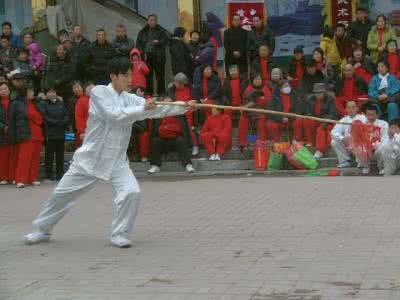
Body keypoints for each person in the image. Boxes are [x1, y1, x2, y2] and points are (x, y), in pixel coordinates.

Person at [23, 57, 196, 248]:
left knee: (131, 192)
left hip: (117, 161)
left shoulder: (131, 98)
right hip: (89, 159)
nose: (130, 80)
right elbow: (114, 115)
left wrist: (184, 106)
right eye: (125, 76)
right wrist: (143, 107)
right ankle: (41, 229)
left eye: (131, 75)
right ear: (113, 76)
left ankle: (119, 233)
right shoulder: (99, 93)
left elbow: (157, 110)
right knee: (61, 195)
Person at [8, 81, 44, 188]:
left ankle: (32, 178)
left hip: (37, 134)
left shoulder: (36, 103)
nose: (33, 93)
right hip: (25, 133)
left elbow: (42, 118)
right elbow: (12, 121)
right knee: (24, 158)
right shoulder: (16, 103)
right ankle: (20, 179)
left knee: (35, 158)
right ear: (25, 92)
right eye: (30, 91)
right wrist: (12, 136)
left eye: (32, 91)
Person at [166, 72, 199, 156]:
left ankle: (195, 146)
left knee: (189, 127)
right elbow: (169, 99)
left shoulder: (190, 89)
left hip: (188, 112)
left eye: (178, 82)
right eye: (175, 81)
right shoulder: (171, 89)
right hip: (176, 112)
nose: (175, 83)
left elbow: (195, 101)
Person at [303, 83, 338, 159]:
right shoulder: (310, 99)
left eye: (320, 92)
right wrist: (309, 116)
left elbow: (333, 114)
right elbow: (307, 112)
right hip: (315, 119)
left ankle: (320, 150)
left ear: (324, 92)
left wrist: (325, 120)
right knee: (307, 121)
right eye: (316, 93)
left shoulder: (330, 99)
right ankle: (310, 142)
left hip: (326, 121)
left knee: (321, 129)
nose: (318, 94)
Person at [136, 14, 169, 95]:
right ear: (148, 21)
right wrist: (141, 55)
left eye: (154, 20)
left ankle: (161, 93)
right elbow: (138, 44)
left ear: (156, 21)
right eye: (151, 20)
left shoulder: (161, 30)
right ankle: (149, 93)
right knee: (148, 77)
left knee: (160, 76)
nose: (152, 22)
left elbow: (166, 40)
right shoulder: (143, 31)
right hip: (147, 57)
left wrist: (159, 42)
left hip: (159, 57)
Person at [41, 87, 69, 180]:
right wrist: (57, 122)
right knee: (49, 155)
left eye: (53, 92)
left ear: (56, 93)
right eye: (49, 92)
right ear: (46, 94)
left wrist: (63, 122)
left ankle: (60, 173)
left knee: (60, 155)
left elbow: (66, 115)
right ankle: (49, 174)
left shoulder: (61, 104)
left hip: (60, 132)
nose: (51, 94)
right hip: (50, 133)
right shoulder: (44, 104)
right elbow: (45, 117)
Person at [238, 74, 272, 148]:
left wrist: (256, 102)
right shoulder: (248, 88)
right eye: (255, 79)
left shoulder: (265, 88)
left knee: (261, 120)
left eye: (259, 79)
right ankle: (243, 142)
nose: (257, 81)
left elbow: (267, 101)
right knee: (243, 120)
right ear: (252, 80)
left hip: (262, 111)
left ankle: (261, 143)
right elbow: (245, 101)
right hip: (249, 112)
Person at [331, 100, 367, 168]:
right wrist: (342, 138)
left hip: (359, 144)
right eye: (349, 107)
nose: (351, 109)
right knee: (334, 142)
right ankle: (345, 161)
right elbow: (333, 132)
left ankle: (361, 161)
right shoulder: (343, 120)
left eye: (353, 107)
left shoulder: (363, 118)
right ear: (346, 109)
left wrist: (353, 138)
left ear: (357, 108)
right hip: (347, 144)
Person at [357, 103, 388, 175]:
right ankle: (366, 166)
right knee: (358, 146)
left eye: (373, 115)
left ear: (377, 115)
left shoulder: (383, 124)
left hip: (377, 150)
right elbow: (359, 140)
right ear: (365, 115)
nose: (370, 117)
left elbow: (385, 140)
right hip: (366, 151)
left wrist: (373, 145)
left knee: (383, 147)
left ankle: (381, 167)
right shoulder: (361, 124)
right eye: (368, 115)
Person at [0, 82, 13, 184]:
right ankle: (4, 177)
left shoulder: (13, 102)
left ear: (9, 90)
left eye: (5, 89)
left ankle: (11, 176)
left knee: (12, 155)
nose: (4, 91)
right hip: (2, 133)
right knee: (3, 157)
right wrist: (3, 126)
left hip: (12, 132)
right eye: (1, 89)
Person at [74, 82, 95, 148]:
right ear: (85, 90)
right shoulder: (81, 101)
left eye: (94, 88)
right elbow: (79, 117)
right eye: (90, 88)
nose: (92, 90)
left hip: (97, 131)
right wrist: (82, 131)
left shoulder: (97, 100)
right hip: (86, 131)